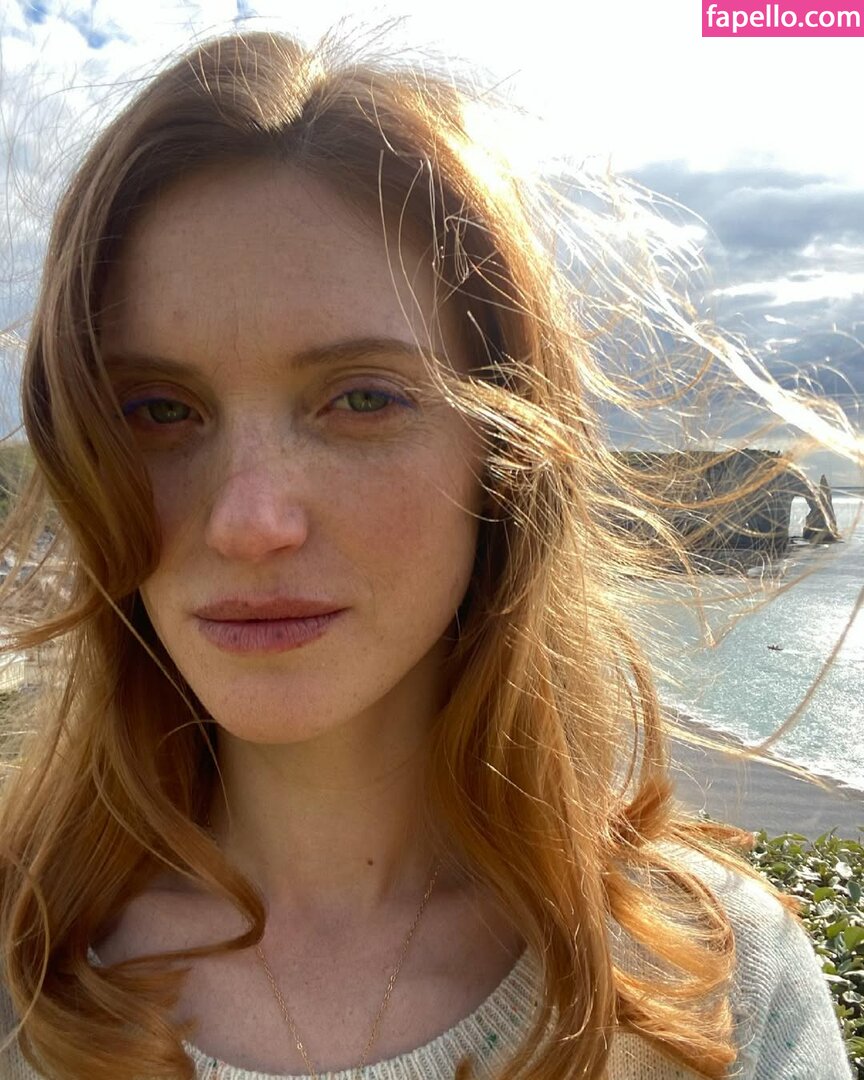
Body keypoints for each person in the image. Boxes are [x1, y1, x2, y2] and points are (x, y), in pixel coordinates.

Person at [0, 27, 854, 1080]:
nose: (248, 522)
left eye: (362, 398)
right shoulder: (19, 965)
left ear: (506, 457)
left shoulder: (710, 986)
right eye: (157, 410)